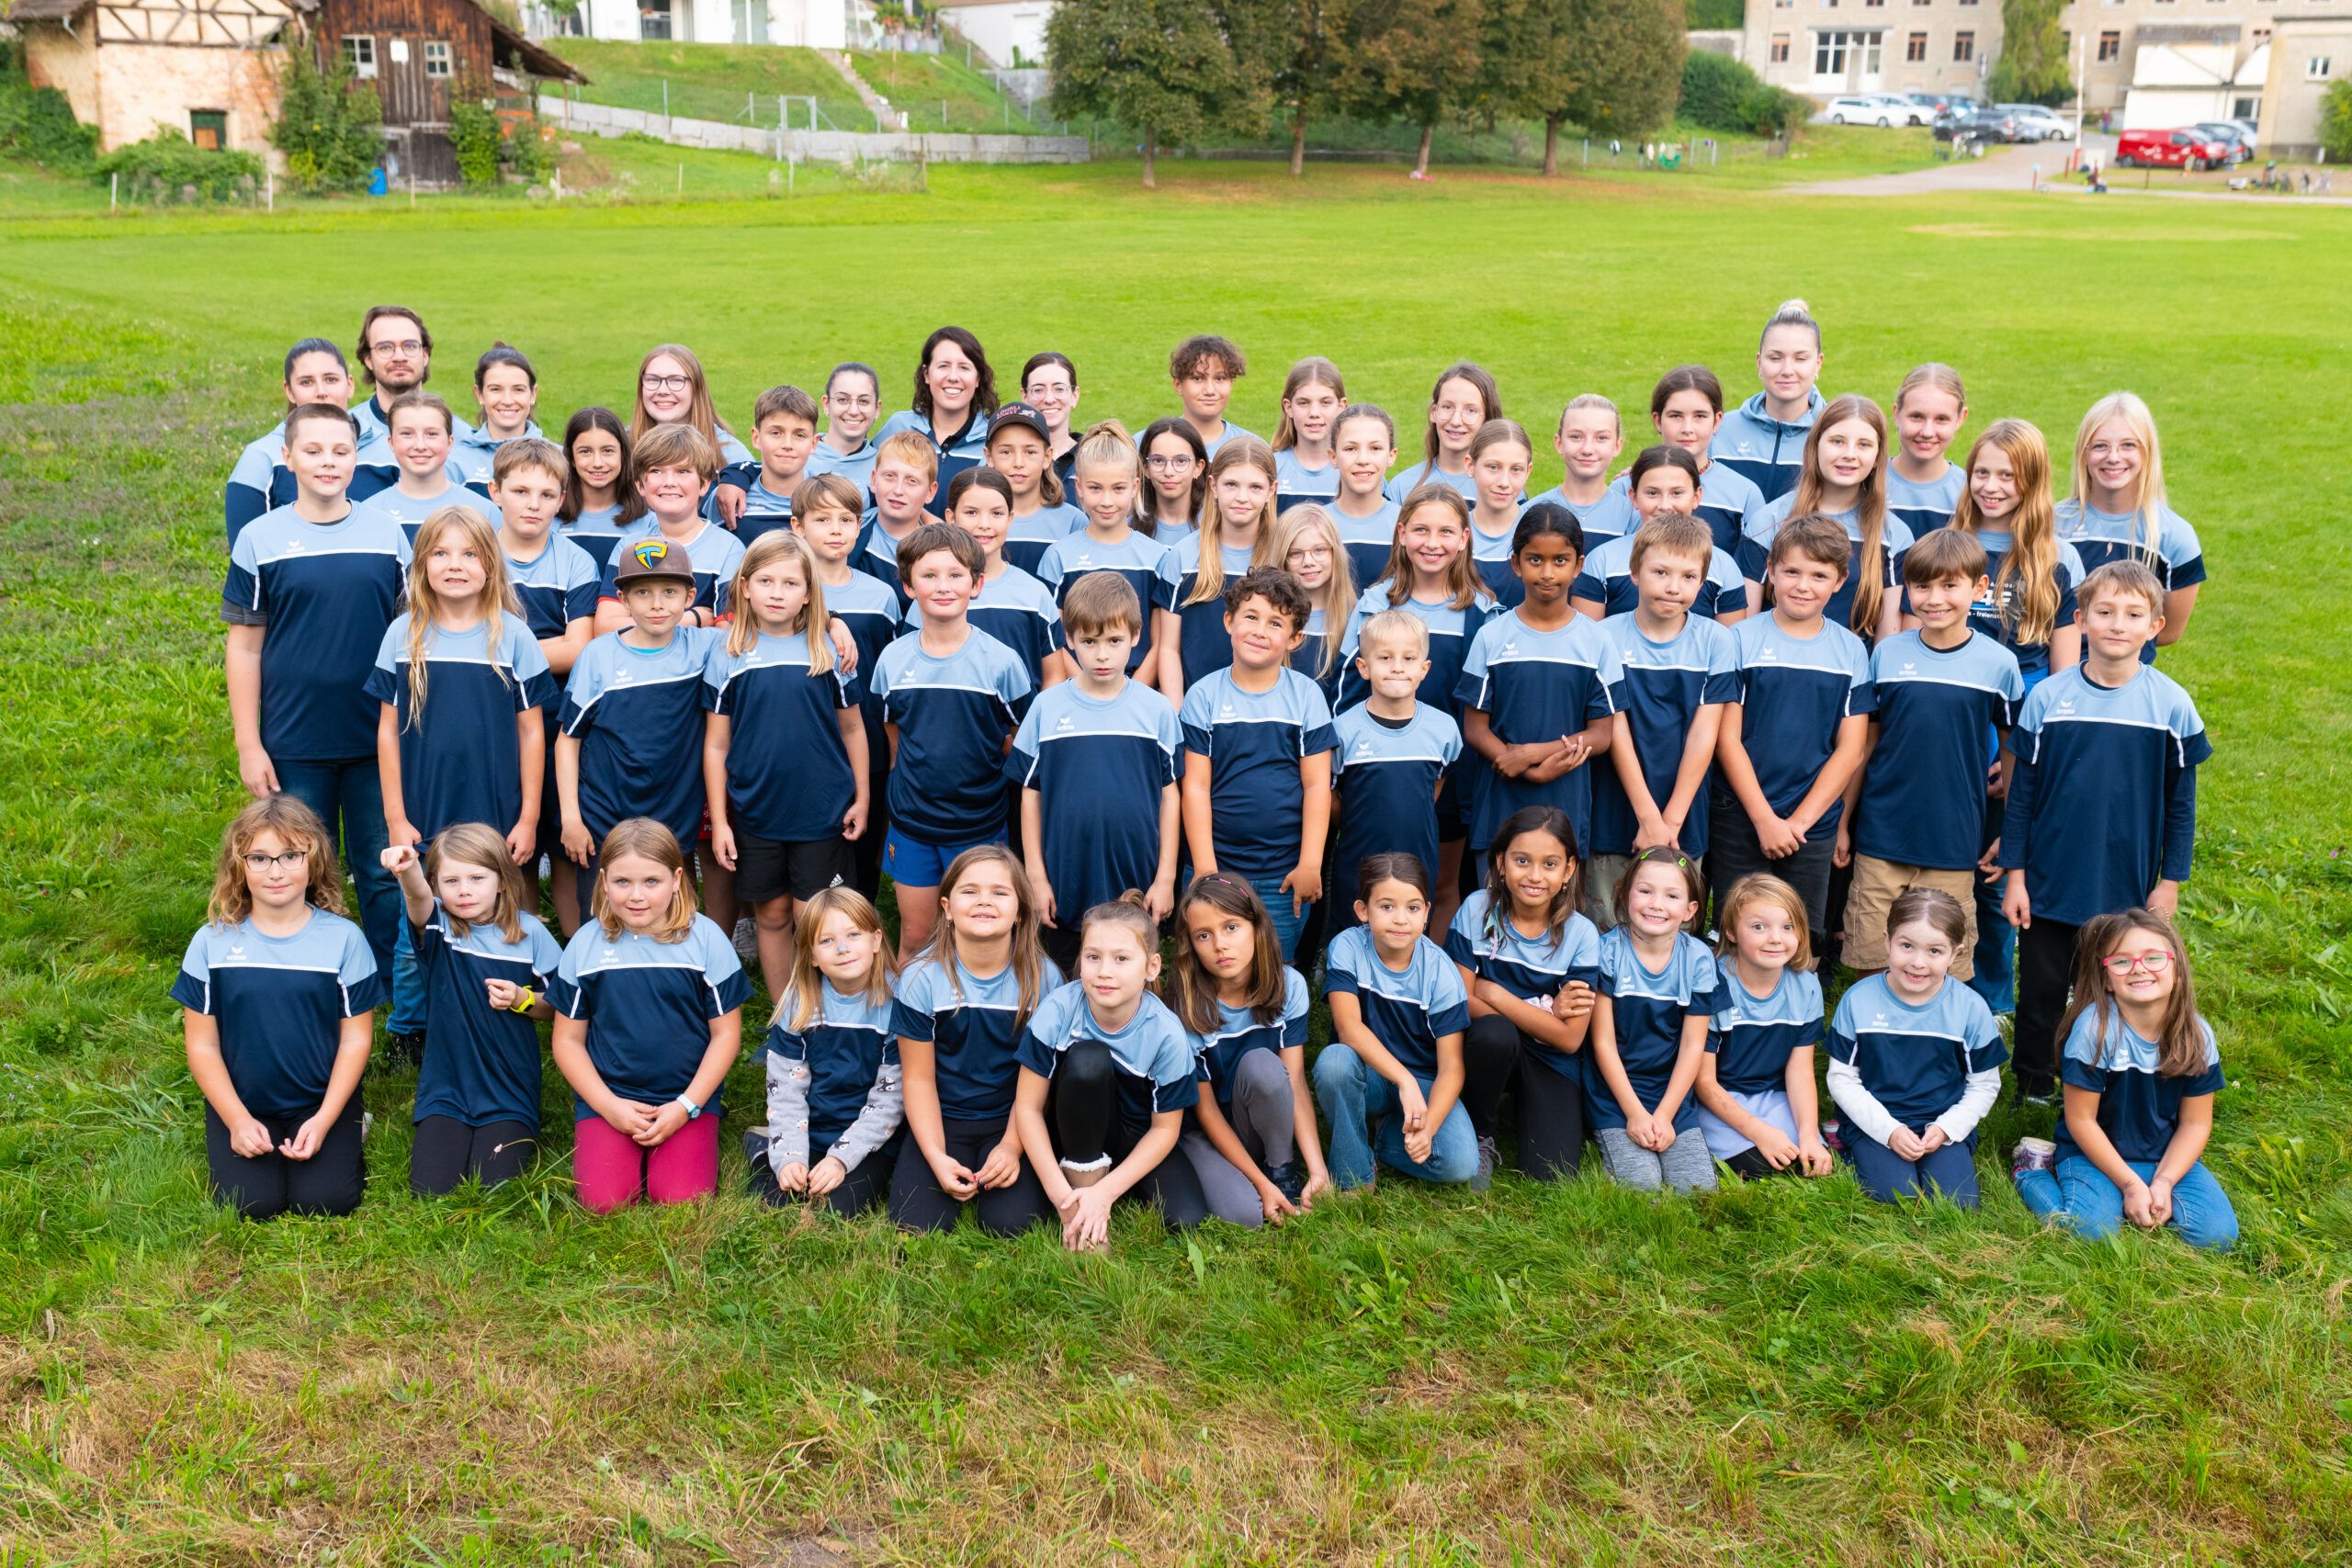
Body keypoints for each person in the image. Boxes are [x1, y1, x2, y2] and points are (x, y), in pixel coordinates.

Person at [223, 402, 411, 1016]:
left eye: (340, 450)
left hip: (378, 741)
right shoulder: (260, 539)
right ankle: (315, 991)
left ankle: (395, 1001)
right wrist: (249, 742)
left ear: (357, 458)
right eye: (313, 450)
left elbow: (410, 636)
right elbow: (245, 646)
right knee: (299, 869)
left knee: (384, 873)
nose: (328, 462)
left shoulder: (387, 534)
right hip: (294, 744)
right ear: (288, 458)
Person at [2000, 561, 2209, 1103]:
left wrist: (2170, 882)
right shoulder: (2047, 698)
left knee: (2115, 989)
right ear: (2080, 620)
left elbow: (2181, 806)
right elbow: (2021, 798)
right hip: (2049, 880)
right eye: (2105, 611)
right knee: (2042, 989)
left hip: (2127, 885)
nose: (2118, 624)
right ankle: (2033, 1082)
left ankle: (2107, 1077)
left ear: (2155, 626)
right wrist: (2016, 877)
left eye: (2134, 615)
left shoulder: (2171, 705)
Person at [368, 504, 552, 1050]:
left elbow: (532, 732)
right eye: (441, 553)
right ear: (421, 566)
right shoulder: (403, 635)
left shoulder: (513, 637)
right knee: (415, 934)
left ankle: (490, 1021)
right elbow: (386, 731)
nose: (455, 564)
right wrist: (395, 817)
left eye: (470, 553)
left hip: (495, 817)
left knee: (495, 921)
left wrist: (529, 817)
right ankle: (410, 1028)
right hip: (423, 814)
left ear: (491, 565)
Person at [175, 795, 379, 1219]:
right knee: (251, 1204)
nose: (275, 871)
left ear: (314, 860)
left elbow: (356, 1040)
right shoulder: (211, 942)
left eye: (290, 856)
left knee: (325, 1202)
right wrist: (236, 1120)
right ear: (239, 866)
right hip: (243, 1102)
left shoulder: (345, 940)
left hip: (321, 1100)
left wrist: (324, 1119)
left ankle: (350, 1127)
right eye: (259, 858)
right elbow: (202, 1046)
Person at [1839, 528, 2023, 982]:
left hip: (1954, 841)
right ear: (1907, 589)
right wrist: (1843, 822)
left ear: (1979, 588)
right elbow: (1865, 744)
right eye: (1922, 586)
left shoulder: (1999, 665)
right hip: (1881, 836)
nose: (1934, 598)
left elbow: (2013, 752)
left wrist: (2013, 833)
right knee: (1872, 955)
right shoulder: (1885, 655)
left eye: (1950, 585)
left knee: (1943, 966)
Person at [1945, 418, 2082, 1009]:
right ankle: (1938, 982)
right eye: (1982, 472)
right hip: (1952, 719)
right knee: (1946, 860)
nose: (1992, 486)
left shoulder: (2055, 560)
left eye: (2008, 475)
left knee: (1997, 863)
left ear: (2033, 482)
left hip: (2018, 727)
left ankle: (1994, 995)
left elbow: (2063, 675)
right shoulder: (1949, 544)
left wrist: (2022, 753)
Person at [550, 818, 750, 1213]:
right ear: (603, 881)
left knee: (681, 1200)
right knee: (604, 1202)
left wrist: (686, 1105)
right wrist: (609, 1106)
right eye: (623, 882)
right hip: (609, 1096)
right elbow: (567, 1041)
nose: (637, 896)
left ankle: (697, 1124)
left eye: (652, 881)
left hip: (685, 1096)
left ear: (676, 879)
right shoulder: (584, 946)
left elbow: (727, 1035)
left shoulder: (707, 939)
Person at [702, 532, 868, 999]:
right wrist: (720, 821)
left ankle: (826, 1010)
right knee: (772, 915)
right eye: (766, 581)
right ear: (745, 587)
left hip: (822, 811)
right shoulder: (728, 654)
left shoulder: (828, 649)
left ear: (809, 593)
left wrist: (863, 796)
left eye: (791, 583)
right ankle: (786, 1017)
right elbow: (716, 744)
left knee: (815, 916)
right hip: (756, 813)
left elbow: (853, 729)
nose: (777, 593)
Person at [2011, 909, 2236, 1249]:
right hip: (2093, 1154)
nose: (2139, 968)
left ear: (2177, 970)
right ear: (2105, 979)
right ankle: (2031, 1171)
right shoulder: (2095, 1030)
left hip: (2165, 1156)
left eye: (2154, 958)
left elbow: (2196, 1124)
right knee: (2092, 1234)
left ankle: (2146, 1186)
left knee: (2218, 1237)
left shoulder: (2196, 1035)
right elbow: (2081, 1120)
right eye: (2121, 961)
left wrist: (2165, 1181)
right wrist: (2131, 1186)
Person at [870, 524, 1034, 954]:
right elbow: (894, 734)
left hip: (980, 824)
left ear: (976, 584)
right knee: (916, 938)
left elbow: (1017, 737)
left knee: (980, 939)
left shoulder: (1002, 663)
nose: (943, 586)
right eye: (929, 575)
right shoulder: (892, 661)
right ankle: (914, 1002)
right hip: (913, 823)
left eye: (955, 575)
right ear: (909, 586)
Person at [1710, 517, 1874, 945]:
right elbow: (1727, 738)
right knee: (1736, 928)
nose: (1803, 585)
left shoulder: (1850, 651)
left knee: (1802, 937)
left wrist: (1799, 822)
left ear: (1840, 581)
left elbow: (1851, 749)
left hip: (1812, 820)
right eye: (1792, 571)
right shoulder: (1739, 640)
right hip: (1741, 812)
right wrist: (1765, 820)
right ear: (1770, 571)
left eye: (1819, 575)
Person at [1010, 571, 1182, 974]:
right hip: (1065, 876)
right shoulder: (1047, 707)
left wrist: (1165, 878)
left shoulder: (1156, 710)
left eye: (1114, 641)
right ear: (1069, 640)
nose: (1102, 655)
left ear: (1136, 636)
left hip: (1135, 875)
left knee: (1129, 970)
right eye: (1089, 642)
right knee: (1065, 975)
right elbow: (1030, 794)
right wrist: (1035, 876)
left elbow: (1169, 795)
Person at [1012, 895, 1205, 1249]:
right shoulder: (1057, 1011)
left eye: (1121, 959)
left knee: (1186, 1218)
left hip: (1134, 1137)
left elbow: (1165, 1129)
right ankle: (1081, 1202)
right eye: (1093, 957)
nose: (1104, 971)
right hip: (1071, 1133)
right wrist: (1061, 1197)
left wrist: (1105, 1193)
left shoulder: (1166, 1034)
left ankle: (1102, 1190)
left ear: (1151, 967)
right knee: (1089, 1060)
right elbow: (1027, 1108)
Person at [888, 845, 1061, 1236]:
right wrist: (935, 1155)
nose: (984, 900)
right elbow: (917, 1079)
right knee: (917, 1223)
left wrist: (1012, 1146)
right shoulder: (920, 979)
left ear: (1020, 911)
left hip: (1015, 1117)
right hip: (942, 1116)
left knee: (1010, 1224)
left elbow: (1039, 1083)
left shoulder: (1044, 980)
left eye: (1000, 892)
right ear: (947, 908)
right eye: (970, 891)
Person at [380, 824, 560, 1195]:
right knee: (430, 1188)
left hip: (508, 1088)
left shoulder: (529, 933)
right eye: (451, 881)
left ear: (502, 881)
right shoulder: (438, 927)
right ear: (436, 886)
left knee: (496, 1184)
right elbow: (416, 896)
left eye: (477, 878)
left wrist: (522, 999)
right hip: (446, 1089)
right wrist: (409, 869)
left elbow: (561, 1006)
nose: (464, 890)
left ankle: (510, 1123)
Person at [1589, 514, 1741, 931]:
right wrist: (1647, 818)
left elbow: (1705, 733)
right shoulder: (1604, 636)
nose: (1674, 587)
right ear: (1635, 572)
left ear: (1703, 581)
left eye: (1688, 576)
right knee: (1608, 921)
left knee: (1671, 923)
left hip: (1683, 816)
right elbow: (1616, 728)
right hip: (1616, 808)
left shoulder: (1716, 641)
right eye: (1660, 572)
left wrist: (1669, 822)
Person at [1178, 568, 1336, 962]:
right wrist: (1206, 867)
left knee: (1273, 968)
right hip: (1218, 866)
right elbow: (1195, 786)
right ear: (1229, 621)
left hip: (1284, 875)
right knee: (1212, 966)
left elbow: (1318, 786)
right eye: (1251, 617)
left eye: (1275, 623)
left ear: (1295, 638)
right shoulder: (1203, 696)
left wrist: (1310, 863)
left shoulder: (1306, 697)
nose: (1260, 630)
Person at [556, 537, 717, 917]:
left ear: (690, 596)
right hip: (604, 820)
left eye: (669, 592)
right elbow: (567, 741)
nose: (657, 604)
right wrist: (571, 818)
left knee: (672, 923)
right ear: (623, 600)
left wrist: (832, 621)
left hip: (673, 821)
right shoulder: (598, 657)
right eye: (642, 592)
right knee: (604, 922)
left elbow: (768, 630)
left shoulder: (705, 648)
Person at [1458, 505, 1622, 874]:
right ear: (1516, 564)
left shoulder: (1597, 641)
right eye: (1535, 560)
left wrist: (1534, 756)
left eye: (1560, 561)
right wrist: (1516, 765)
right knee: (1495, 905)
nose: (1547, 573)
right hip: (1500, 809)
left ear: (1578, 566)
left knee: (1557, 906)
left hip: (1565, 809)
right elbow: (1475, 728)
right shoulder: (1491, 636)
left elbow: (1601, 734)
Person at [1447, 807, 1600, 1184]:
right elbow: (1460, 1000)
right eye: (1521, 861)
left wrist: (1495, 993)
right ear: (1501, 862)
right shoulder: (1476, 909)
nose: (1534, 875)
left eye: (1550, 864)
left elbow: (1569, 1038)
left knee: (1552, 1172)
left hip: (1550, 1057)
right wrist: (1546, 1013)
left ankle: (1531, 1106)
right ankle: (1480, 1132)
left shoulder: (1582, 935)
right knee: (1495, 1035)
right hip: (1488, 1045)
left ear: (1568, 870)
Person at [1826, 888, 2006, 1207]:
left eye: (1934, 951)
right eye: (1906, 946)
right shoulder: (1858, 1000)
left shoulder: (1970, 1008)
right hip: (1876, 1120)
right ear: (1887, 941)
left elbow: (1984, 1084)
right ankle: (1844, 1144)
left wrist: (1947, 1128)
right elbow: (1841, 1078)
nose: (1918, 962)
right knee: (1895, 1196)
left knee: (1957, 1203)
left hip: (1940, 1121)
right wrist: (1889, 1130)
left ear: (1955, 953)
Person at [1170, 874, 1329, 1224]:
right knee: (1246, 1216)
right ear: (1191, 945)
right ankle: (1257, 1177)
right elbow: (1207, 1112)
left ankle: (1281, 1168)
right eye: (1203, 935)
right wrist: (1257, 1184)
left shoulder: (1290, 986)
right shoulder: (1188, 1007)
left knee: (1262, 1065)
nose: (1220, 945)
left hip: (1257, 1116)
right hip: (1206, 1130)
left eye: (1231, 927)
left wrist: (1318, 1169)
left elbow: (1294, 1081)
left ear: (1256, 927)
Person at [1314, 852, 1478, 1190]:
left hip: (1423, 1080)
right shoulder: (1347, 947)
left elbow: (1452, 1067)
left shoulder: (1441, 972)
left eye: (1412, 908)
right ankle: (1354, 1174)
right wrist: (1403, 1081)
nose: (1401, 919)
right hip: (1368, 1074)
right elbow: (1348, 1028)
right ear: (1363, 910)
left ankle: (1385, 1133)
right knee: (1333, 1063)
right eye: (1387, 907)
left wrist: (1429, 1127)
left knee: (1459, 1163)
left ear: (1427, 912)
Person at [490, 438, 597, 928]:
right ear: (495, 492)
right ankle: (524, 940)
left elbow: (577, 648)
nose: (533, 504)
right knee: (513, 845)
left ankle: (574, 948)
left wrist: (497, 652)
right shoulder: (477, 554)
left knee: (561, 839)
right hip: (492, 721)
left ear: (562, 499)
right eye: (520, 491)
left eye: (547, 494)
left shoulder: (575, 561)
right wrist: (539, 650)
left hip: (557, 723)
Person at [747, 887, 904, 1218]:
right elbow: (785, 1091)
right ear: (812, 956)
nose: (843, 948)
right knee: (776, 1199)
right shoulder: (798, 1005)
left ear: (876, 940)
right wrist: (790, 1157)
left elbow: (890, 1100)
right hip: (811, 1128)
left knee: (839, 1209)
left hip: (871, 1135)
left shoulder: (898, 1005)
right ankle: (763, 1147)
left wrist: (840, 1159)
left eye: (854, 935)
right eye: (827, 940)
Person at [796, 472, 903, 903]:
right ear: (798, 527)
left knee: (862, 854)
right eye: (822, 520)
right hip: (809, 746)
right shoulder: (787, 593)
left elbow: (891, 673)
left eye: (846, 519)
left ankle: (863, 924)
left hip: (867, 742)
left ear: (860, 526)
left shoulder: (882, 596)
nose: (836, 530)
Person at [1587, 848, 1718, 1194]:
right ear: (1624, 894)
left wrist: (1665, 1114)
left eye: (1672, 896)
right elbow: (1603, 1043)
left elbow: (1693, 1045)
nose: (1656, 904)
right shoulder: (1608, 952)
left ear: (1690, 910)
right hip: (1616, 1090)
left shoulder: (1698, 959)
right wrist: (1634, 1113)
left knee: (1697, 1187)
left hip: (1670, 1089)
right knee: (1642, 1184)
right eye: (1645, 891)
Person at [1327, 609, 1460, 935]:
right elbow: (1329, 797)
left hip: (1417, 861)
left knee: (1407, 936)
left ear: (1424, 669)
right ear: (1364, 667)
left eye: (1409, 658)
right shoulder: (1343, 731)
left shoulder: (1443, 730)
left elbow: (1433, 789)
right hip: (1357, 861)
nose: (1398, 667)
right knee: (1355, 935)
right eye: (1385, 657)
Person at [1744, 394, 1910, 645]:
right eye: (1837, 441)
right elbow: (1744, 626)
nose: (1849, 454)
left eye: (1864, 445)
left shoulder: (1894, 535)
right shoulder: (1770, 520)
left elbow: (1888, 643)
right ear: (1815, 445)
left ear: (1878, 457)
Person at [1696, 874, 1830, 1181]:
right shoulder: (1713, 984)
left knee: (1803, 1159)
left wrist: (1808, 1134)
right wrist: (1758, 1131)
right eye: (1759, 927)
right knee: (1758, 1165)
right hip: (1720, 1096)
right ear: (1731, 931)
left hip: (1773, 1095)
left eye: (1788, 927)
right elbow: (1704, 1082)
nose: (1775, 938)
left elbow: (1800, 1072)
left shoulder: (1806, 987)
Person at [2055, 391, 2203, 655]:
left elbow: (2169, 632)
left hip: (2127, 675)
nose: (2113, 457)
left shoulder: (2175, 536)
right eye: (2100, 446)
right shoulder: (2053, 525)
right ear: (2083, 453)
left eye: (2128, 446)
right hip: (2055, 673)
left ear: (2147, 453)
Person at [1038, 421, 1178, 687]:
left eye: (1118, 489)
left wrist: (1130, 693)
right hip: (1077, 691)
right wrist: (1085, 687)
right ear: (1078, 487)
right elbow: (1055, 637)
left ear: (1135, 487)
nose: (1106, 501)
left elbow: (1160, 643)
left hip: (1139, 691)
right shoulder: (1058, 557)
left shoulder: (1158, 558)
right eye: (1095, 488)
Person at [1161, 436, 1282, 699]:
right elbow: (1168, 648)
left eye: (1255, 487)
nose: (1242, 497)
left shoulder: (1282, 557)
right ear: (1213, 486)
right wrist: (1176, 711)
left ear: (1271, 491)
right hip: (1197, 708)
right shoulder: (1182, 556)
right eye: (1231, 485)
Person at [933, 467, 1071, 691]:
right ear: (951, 518)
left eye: (996, 513)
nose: (984, 524)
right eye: (971, 512)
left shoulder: (1034, 595)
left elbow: (1054, 677)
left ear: (1010, 518)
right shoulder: (935, 593)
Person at [1618, 365, 1769, 570]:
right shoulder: (1625, 488)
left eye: (1699, 416)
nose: (1687, 428)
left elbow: (1751, 572)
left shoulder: (1744, 494)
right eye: (1675, 416)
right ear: (1657, 420)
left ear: (1717, 421)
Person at [594, 423, 741, 633]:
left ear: (704, 484)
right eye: (656, 471)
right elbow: (604, 627)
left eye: (683, 471)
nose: (669, 482)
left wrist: (642, 626)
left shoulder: (728, 549)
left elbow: (728, 633)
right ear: (640, 485)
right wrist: (693, 618)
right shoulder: (628, 547)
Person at [1574, 451, 1750, 623]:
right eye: (1652, 493)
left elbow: (1728, 638)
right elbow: (1588, 636)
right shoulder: (1603, 560)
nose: (1665, 505)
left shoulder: (1723, 567)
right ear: (1634, 497)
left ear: (1696, 497)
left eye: (1677, 493)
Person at [227, 338, 356, 543]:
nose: (321, 392)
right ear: (289, 391)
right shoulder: (260, 459)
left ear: (349, 385)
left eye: (331, 379)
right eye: (306, 382)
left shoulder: (387, 448)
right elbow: (247, 551)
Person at [1711, 299, 1825, 503]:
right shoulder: (1720, 431)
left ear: (1818, 363)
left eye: (1800, 359)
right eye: (1775, 358)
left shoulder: (1834, 434)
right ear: (1759, 362)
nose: (1787, 370)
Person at [876, 326, 997, 493]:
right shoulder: (898, 427)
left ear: (978, 378)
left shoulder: (994, 437)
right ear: (926, 374)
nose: (953, 377)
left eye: (964, 367)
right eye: (943, 366)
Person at [350, 305, 452, 495]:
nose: (399, 357)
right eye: (385, 347)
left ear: (425, 355)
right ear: (368, 359)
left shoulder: (460, 436)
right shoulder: (346, 430)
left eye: (410, 346)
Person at [352, 389, 469, 544]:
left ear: (450, 442)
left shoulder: (481, 511)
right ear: (391, 442)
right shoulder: (369, 514)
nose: (420, 445)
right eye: (407, 434)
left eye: (431, 434)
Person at [712, 385, 820, 546]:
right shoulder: (728, 498)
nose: (787, 444)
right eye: (776, 433)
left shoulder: (830, 497)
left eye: (799, 435)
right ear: (756, 438)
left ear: (813, 443)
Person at [986, 401, 1085, 575]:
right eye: (1006, 452)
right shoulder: (977, 520)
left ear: (1047, 457)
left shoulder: (1073, 521)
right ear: (989, 457)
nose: (1018, 463)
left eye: (1030, 452)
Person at [1530, 396, 1637, 555]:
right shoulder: (1531, 512)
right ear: (1559, 443)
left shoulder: (1631, 517)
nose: (1587, 449)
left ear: (1617, 446)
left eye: (1601, 438)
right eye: (1576, 437)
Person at [1271, 504, 1357, 700]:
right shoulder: (1269, 616)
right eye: (1296, 553)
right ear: (1283, 558)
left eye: (1319, 550)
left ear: (1335, 552)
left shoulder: (1356, 615)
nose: (1308, 561)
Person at [1385, 362, 1499, 502]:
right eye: (1447, 407)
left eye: (1471, 410)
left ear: (1488, 419)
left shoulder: (1504, 488)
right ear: (1434, 412)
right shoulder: (1402, 487)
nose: (1456, 421)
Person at [854, 430, 942, 607]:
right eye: (890, 476)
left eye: (912, 481)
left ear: (930, 491)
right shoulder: (850, 532)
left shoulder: (941, 550)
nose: (898, 490)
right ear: (874, 480)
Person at [630, 343, 751, 468]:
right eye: (653, 379)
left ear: (696, 388)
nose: (662, 390)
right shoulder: (621, 446)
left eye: (676, 380)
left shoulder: (732, 456)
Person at [1885, 364, 1968, 536]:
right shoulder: (1869, 483)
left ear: (1961, 418)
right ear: (1896, 413)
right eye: (1917, 416)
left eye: (1941, 419)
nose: (1927, 432)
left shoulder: (1969, 493)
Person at [555, 407, 641, 571]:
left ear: (623, 454)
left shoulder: (648, 522)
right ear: (571, 458)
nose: (597, 463)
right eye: (585, 451)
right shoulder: (550, 518)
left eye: (607, 451)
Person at [1464, 418, 1538, 606]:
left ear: (1528, 471)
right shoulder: (1451, 533)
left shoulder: (1539, 534)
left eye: (1516, 469)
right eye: (1493, 467)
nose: (1504, 482)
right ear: (1470, 465)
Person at [451, 344, 543, 493]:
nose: (507, 400)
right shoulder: (455, 461)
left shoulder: (557, 457)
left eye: (518, 389)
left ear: (533, 394)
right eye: (496, 389)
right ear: (479, 394)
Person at [1329, 403, 1403, 587]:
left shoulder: (1405, 523)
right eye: (1350, 449)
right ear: (1333, 456)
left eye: (1375, 448)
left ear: (1391, 456)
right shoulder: (1317, 524)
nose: (1363, 460)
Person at [1272, 355, 1345, 513]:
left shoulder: (1355, 471)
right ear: (1288, 407)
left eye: (1325, 403)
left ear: (1341, 406)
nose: (1314, 413)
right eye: (1303, 403)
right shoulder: (1272, 468)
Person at [1165, 333, 1255, 455]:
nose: (1210, 391)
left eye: (1220, 378)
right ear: (1178, 385)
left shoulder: (1253, 449)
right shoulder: (1147, 444)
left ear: (1231, 384)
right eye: (1198, 378)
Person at [805, 361, 883, 497]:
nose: (853, 411)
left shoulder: (883, 467)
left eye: (863, 401)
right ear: (826, 404)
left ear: (877, 408)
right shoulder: (800, 456)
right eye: (842, 399)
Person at [1138, 417, 1208, 543]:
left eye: (1181, 461)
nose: (1169, 472)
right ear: (1145, 468)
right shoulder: (1128, 529)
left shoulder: (1216, 527)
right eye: (1158, 460)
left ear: (1198, 467)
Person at [1019, 351, 1082, 485]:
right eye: (1038, 390)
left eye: (1059, 389)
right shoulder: (1010, 461)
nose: (1049, 399)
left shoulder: (1096, 456)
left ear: (1074, 396)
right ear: (1025, 397)